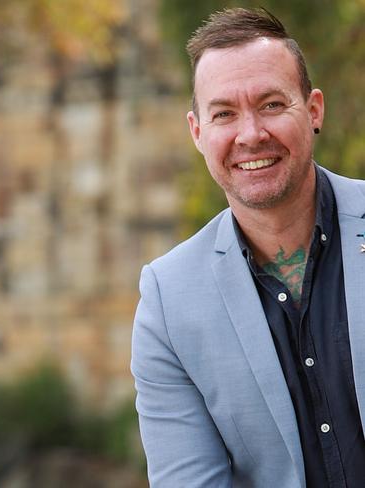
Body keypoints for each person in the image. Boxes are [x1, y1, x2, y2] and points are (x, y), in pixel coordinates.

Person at [131, 7, 365, 488]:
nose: (251, 134)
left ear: (314, 109)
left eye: (272, 104)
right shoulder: (168, 302)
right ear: (198, 132)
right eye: (224, 114)